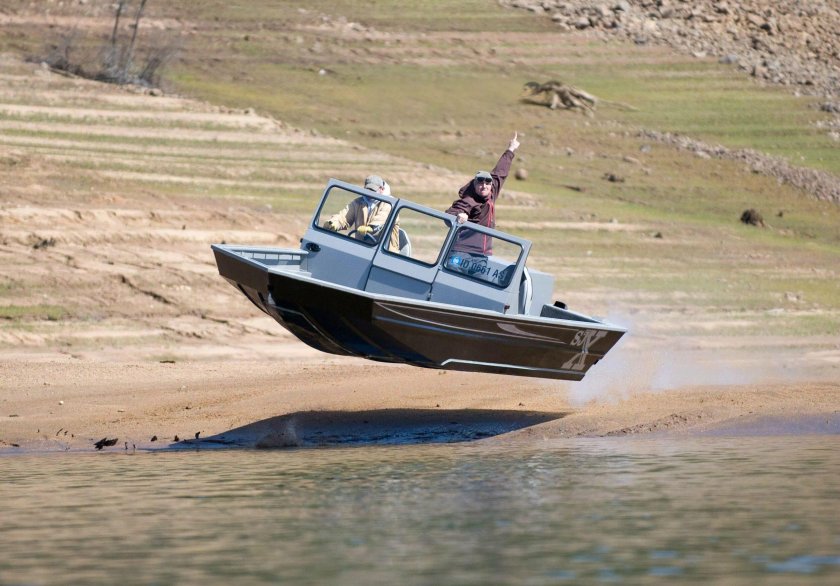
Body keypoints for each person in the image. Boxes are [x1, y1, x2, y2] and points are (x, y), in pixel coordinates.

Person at [446, 132, 520, 256]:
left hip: (483, 254)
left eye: (487, 183)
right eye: (480, 183)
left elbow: (500, 171)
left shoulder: (491, 193)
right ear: (474, 184)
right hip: (463, 252)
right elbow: (450, 214)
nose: (484, 186)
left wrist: (511, 149)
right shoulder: (469, 200)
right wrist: (459, 215)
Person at [323, 175, 400, 250]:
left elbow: (383, 217)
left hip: (384, 252)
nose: (369, 193)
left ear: (382, 189)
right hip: (361, 248)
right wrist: (334, 223)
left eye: (372, 190)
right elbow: (344, 216)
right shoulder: (358, 202)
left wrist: (371, 227)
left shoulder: (390, 204)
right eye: (367, 190)